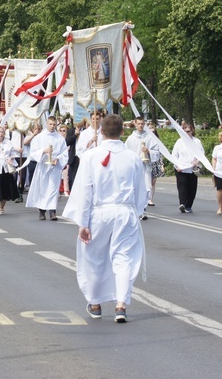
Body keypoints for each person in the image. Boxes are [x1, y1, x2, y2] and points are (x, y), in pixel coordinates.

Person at [62, 114, 147, 323]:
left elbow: (84, 191)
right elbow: (141, 190)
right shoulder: (133, 157)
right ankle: (121, 304)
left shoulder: (90, 156)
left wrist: (83, 223)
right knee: (124, 257)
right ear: (123, 132)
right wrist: (134, 212)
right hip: (125, 211)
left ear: (101, 132)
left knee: (93, 257)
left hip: (99, 212)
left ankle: (95, 302)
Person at [26, 116, 68, 221]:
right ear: (46, 124)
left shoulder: (60, 138)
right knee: (43, 188)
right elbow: (33, 152)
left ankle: (52, 211)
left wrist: (58, 159)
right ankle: (42, 211)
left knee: (53, 189)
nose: (52, 126)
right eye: (50, 124)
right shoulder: (39, 137)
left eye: (54, 124)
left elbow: (64, 153)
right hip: (43, 166)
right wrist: (43, 151)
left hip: (54, 167)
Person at [125, 116, 159, 218]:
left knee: (147, 188)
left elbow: (156, 151)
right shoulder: (131, 139)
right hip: (135, 167)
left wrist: (148, 151)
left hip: (145, 166)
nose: (140, 126)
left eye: (142, 124)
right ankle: (136, 209)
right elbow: (126, 152)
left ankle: (143, 209)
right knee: (136, 188)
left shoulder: (149, 137)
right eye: (138, 124)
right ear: (135, 124)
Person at [171, 123, 204, 214]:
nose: (186, 133)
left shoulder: (196, 141)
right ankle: (182, 204)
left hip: (192, 169)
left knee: (192, 188)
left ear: (192, 131)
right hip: (181, 168)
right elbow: (174, 155)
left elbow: (201, 154)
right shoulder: (179, 142)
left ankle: (189, 205)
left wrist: (197, 161)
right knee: (182, 187)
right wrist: (177, 166)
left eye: (188, 131)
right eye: (184, 131)